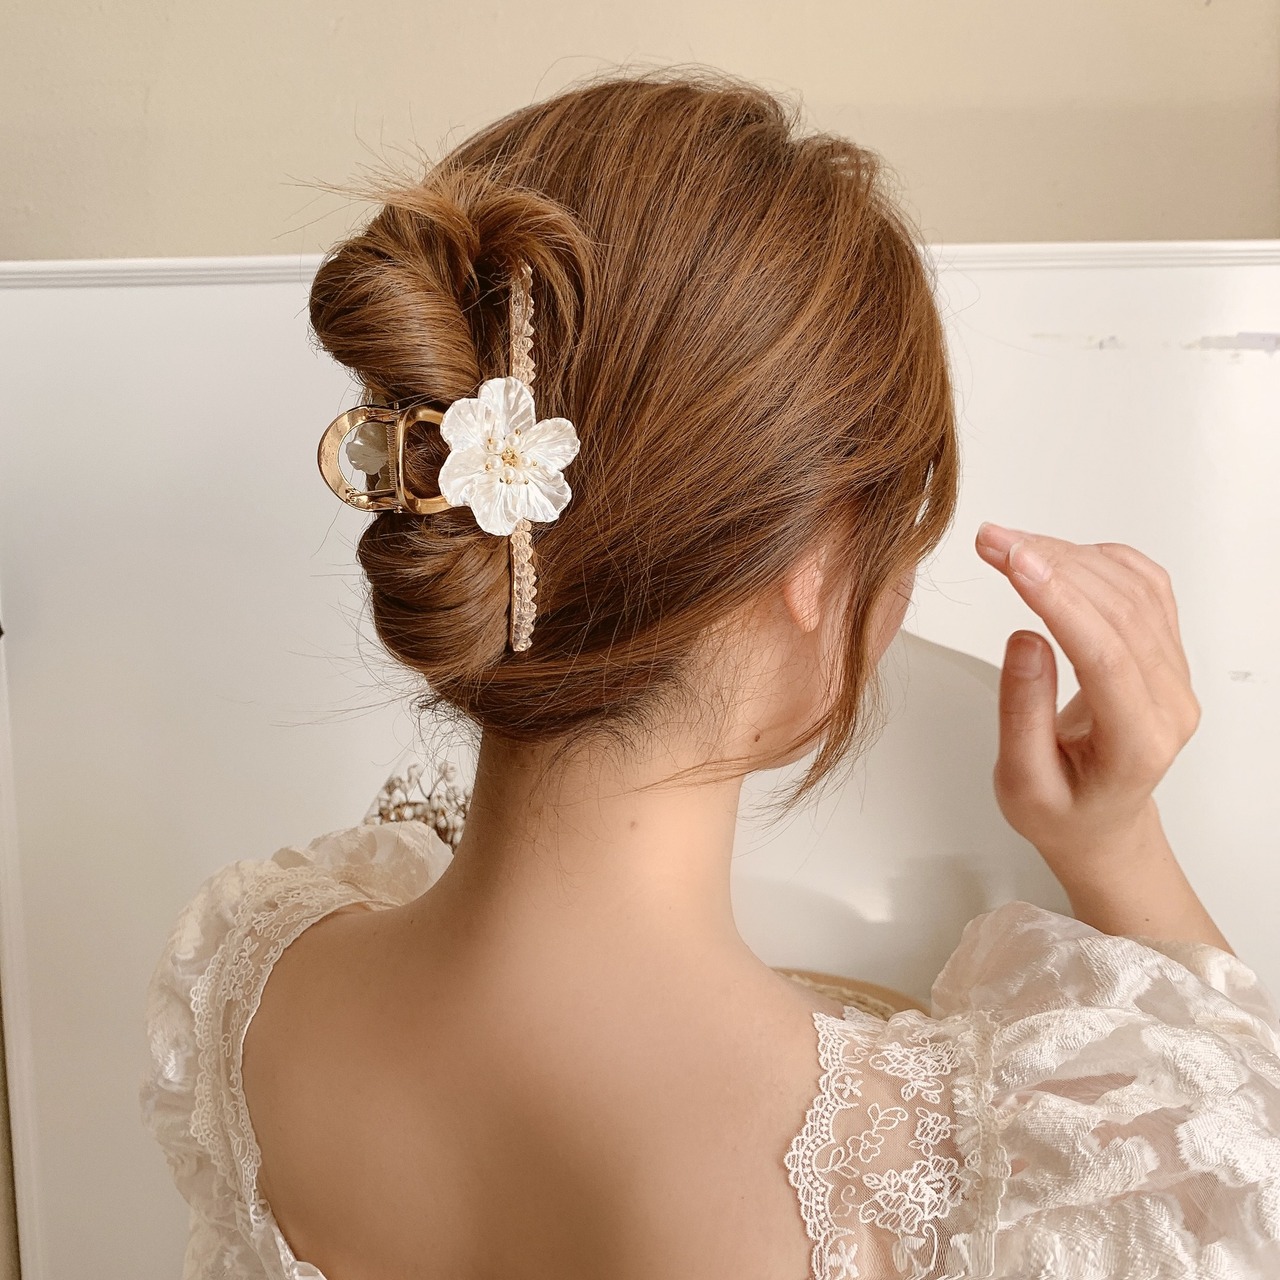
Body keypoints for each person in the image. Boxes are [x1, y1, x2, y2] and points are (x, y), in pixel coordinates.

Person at [139, 69, 1280, 1279]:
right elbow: (1237, 1170)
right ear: (814, 562)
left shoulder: (240, 991)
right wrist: (1117, 844)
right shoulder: (962, 1184)